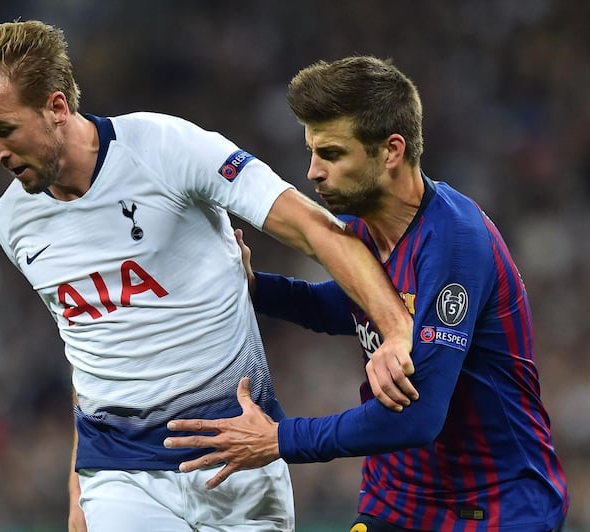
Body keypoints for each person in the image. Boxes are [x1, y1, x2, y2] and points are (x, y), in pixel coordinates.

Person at [0, 22, 415, 531]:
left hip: (237, 454)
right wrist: (78, 485)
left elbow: (313, 229)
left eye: (4, 130)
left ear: (57, 108)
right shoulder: (12, 221)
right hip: (120, 471)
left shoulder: (165, 148)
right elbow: (87, 344)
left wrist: (395, 329)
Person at [164, 56, 570, 531]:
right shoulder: (360, 230)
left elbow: (416, 420)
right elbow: (341, 307)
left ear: (391, 151)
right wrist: (255, 288)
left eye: (332, 154)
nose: (313, 172)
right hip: (395, 503)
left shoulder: (455, 243)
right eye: (312, 152)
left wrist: (279, 439)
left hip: (493, 508)